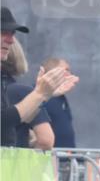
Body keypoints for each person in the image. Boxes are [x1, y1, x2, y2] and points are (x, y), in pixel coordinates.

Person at [1, 8, 75, 148]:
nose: (11, 40)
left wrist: (44, 95)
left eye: (12, 34)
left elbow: (18, 121)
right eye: (3, 32)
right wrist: (39, 94)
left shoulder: (4, 84)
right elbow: (4, 121)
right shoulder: (14, 89)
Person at [41, 57, 77, 148]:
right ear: (53, 72)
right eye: (66, 70)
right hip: (48, 157)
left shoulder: (61, 99)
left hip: (65, 158)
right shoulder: (36, 96)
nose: (71, 74)